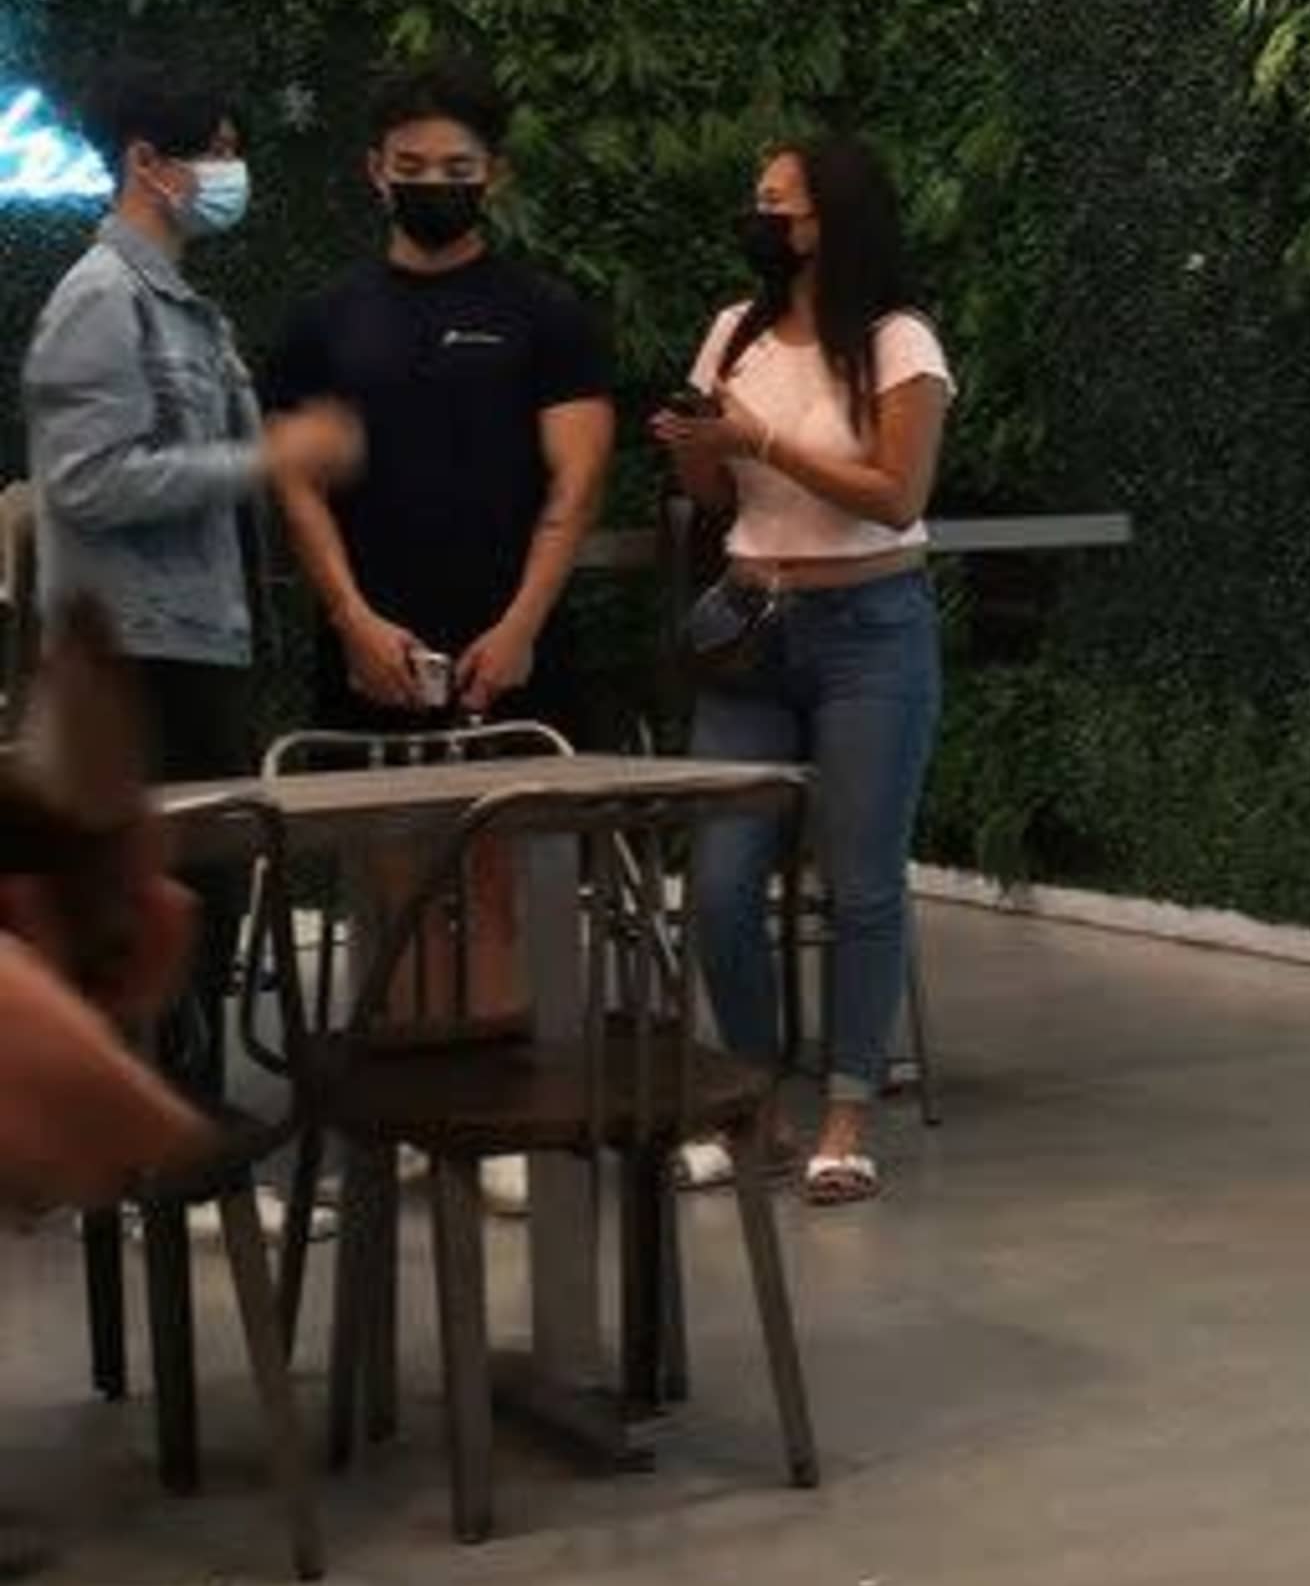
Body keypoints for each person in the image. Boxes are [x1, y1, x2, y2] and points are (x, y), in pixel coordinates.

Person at [16, 63, 360, 1098]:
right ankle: (157, 1170)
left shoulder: (181, 307)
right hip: (129, 648)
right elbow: (85, 482)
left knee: (198, 898)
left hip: (193, 633)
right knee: (148, 909)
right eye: (211, 149)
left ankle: (183, 1141)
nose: (229, 170)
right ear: (146, 163)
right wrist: (267, 458)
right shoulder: (100, 300)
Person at [650, 135, 949, 1206]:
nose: (761, 218)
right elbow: (721, 495)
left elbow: (896, 492)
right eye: (758, 201)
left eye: (780, 203)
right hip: (748, 618)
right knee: (722, 884)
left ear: (836, 218)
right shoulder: (733, 330)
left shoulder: (896, 341)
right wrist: (695, 445)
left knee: (862, 877)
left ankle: (847, 1111)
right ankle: (755, 1098)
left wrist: (760, 441)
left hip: (872, 622)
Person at [265, 59, 615, 727]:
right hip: (367, 663)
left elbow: (579, 483)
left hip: (517, 660)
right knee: (376, 829)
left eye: (457, 170)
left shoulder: (547, 314)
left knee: (520, 823)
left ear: (495, 173)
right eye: (412, 165)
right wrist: (352, 620)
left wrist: (521, 627)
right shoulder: (322, 320)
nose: (433, 184)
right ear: (376, 170)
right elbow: (296, 486)